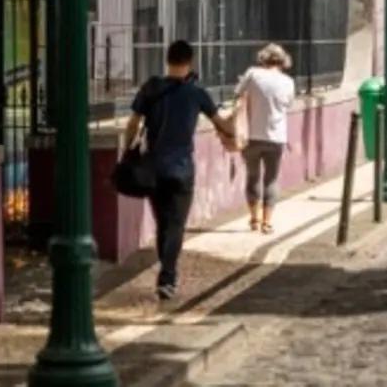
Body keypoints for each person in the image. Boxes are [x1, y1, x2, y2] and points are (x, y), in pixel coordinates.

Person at [124, 40, 234, 301]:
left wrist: (128, 150)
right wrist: (236, 124)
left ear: (167, 60)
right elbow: (222, 125)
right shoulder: (197, 94)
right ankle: (167, 277)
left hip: (154, 168)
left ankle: (166, 272)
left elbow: (133, 123)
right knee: (176, 224)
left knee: (163, 222)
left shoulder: (151, 88)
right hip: (182, 169)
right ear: (190, 62)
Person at [235, 44, 295, 235]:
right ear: (283, 61)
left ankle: (254, 218)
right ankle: (267, 222)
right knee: (271, 179)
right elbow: (288, 104)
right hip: (276, 137)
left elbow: (237, 93)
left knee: (252, 176)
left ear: (263, 59)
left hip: (251, 135)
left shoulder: (253, 74)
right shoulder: (288, 82)